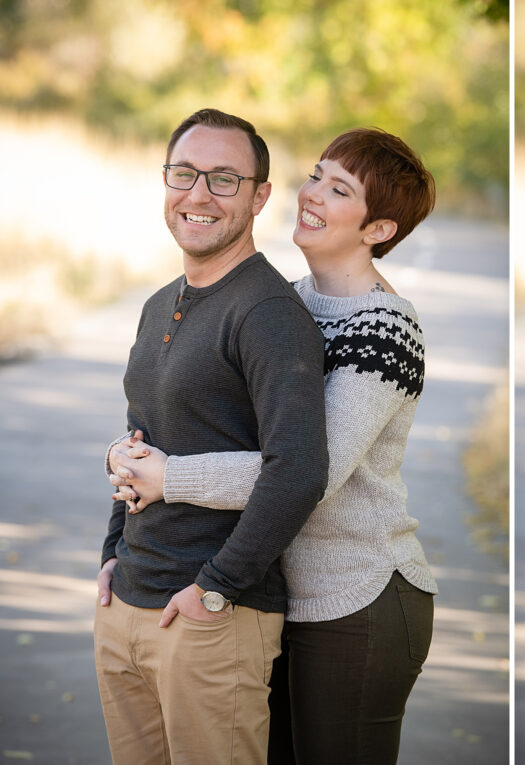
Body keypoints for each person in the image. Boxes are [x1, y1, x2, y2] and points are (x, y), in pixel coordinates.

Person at [108, 128, 438, 765]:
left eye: (338, 189)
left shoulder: (385, 329)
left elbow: (312, 469)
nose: (310, 193)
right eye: (316, 174)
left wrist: (169, 477)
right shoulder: (293, 302)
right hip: (276, 588)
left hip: (358, 593)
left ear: (378, 229)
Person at [93, 108, 330, 765]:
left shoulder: (269, 313)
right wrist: (113, 550)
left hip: (212, 618)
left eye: (224, 179)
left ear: (260, 197)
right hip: (128, 602)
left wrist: (216, 586)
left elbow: (300, 468)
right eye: (184, 173)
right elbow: (140, 435)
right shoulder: (159, 302)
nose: (198, 194)